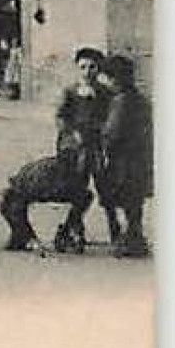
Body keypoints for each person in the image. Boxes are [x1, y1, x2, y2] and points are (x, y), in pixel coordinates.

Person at [56, 46, 117, 244]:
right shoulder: (70, 91)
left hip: (98, 145)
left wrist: (104, 132)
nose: (87, 72)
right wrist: (72, 132)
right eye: (83, 67)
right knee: (78, 188)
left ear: (98, 69)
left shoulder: (105, 92)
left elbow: (110, 117)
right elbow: (60, 117)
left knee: (105, 187)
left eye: (92, 67)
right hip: (75, 145)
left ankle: (115, 230)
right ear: (77, 68)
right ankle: (74, 229)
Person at [98, 55, 152, 258]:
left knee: (126, 198)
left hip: (124, 159)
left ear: (115, 79)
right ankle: (136, 238)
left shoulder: (120, 101)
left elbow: (112, 132)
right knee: (136, 200)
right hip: (141, 157)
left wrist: (104, 145)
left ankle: (132, 240)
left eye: (108, 78)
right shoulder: (141, 99)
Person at [0, 150, 94, 254]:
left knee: (84, 197)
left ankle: (66, 233)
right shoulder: (39, 174)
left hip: (60, 183)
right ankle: (22, 235)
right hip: (42, 182)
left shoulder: (80, 170)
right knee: (11, 201)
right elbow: (13, 196)